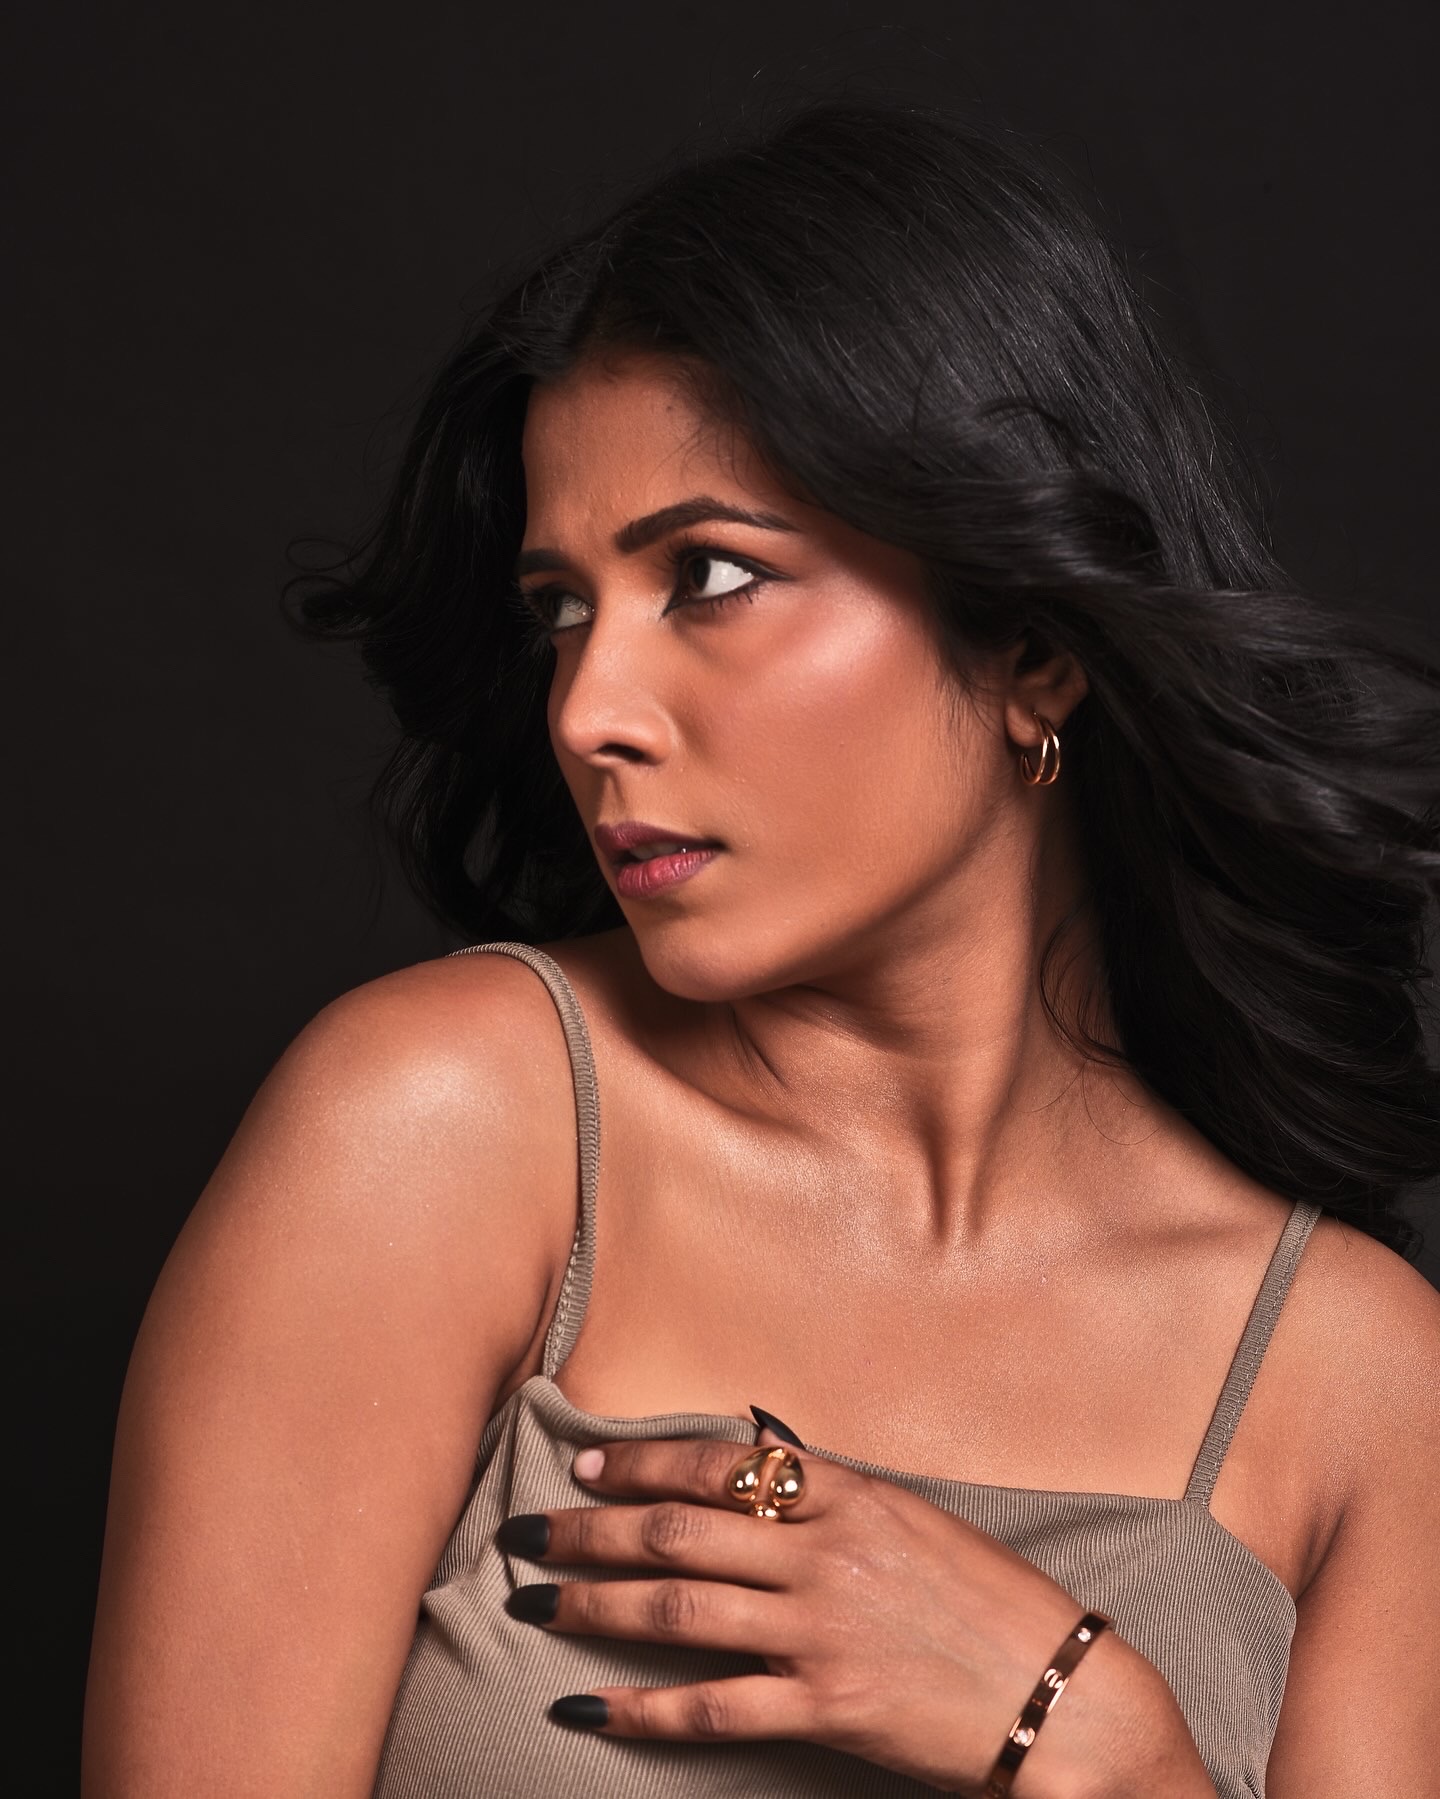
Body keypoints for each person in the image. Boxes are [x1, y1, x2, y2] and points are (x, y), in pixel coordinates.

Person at [84, 101, 1440, 1797]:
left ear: (1032, 648)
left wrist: (1095, 1741)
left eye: (709, 575)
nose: (589, 709)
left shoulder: (1358, 1381)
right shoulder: (445, 1135)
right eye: (561, 609)